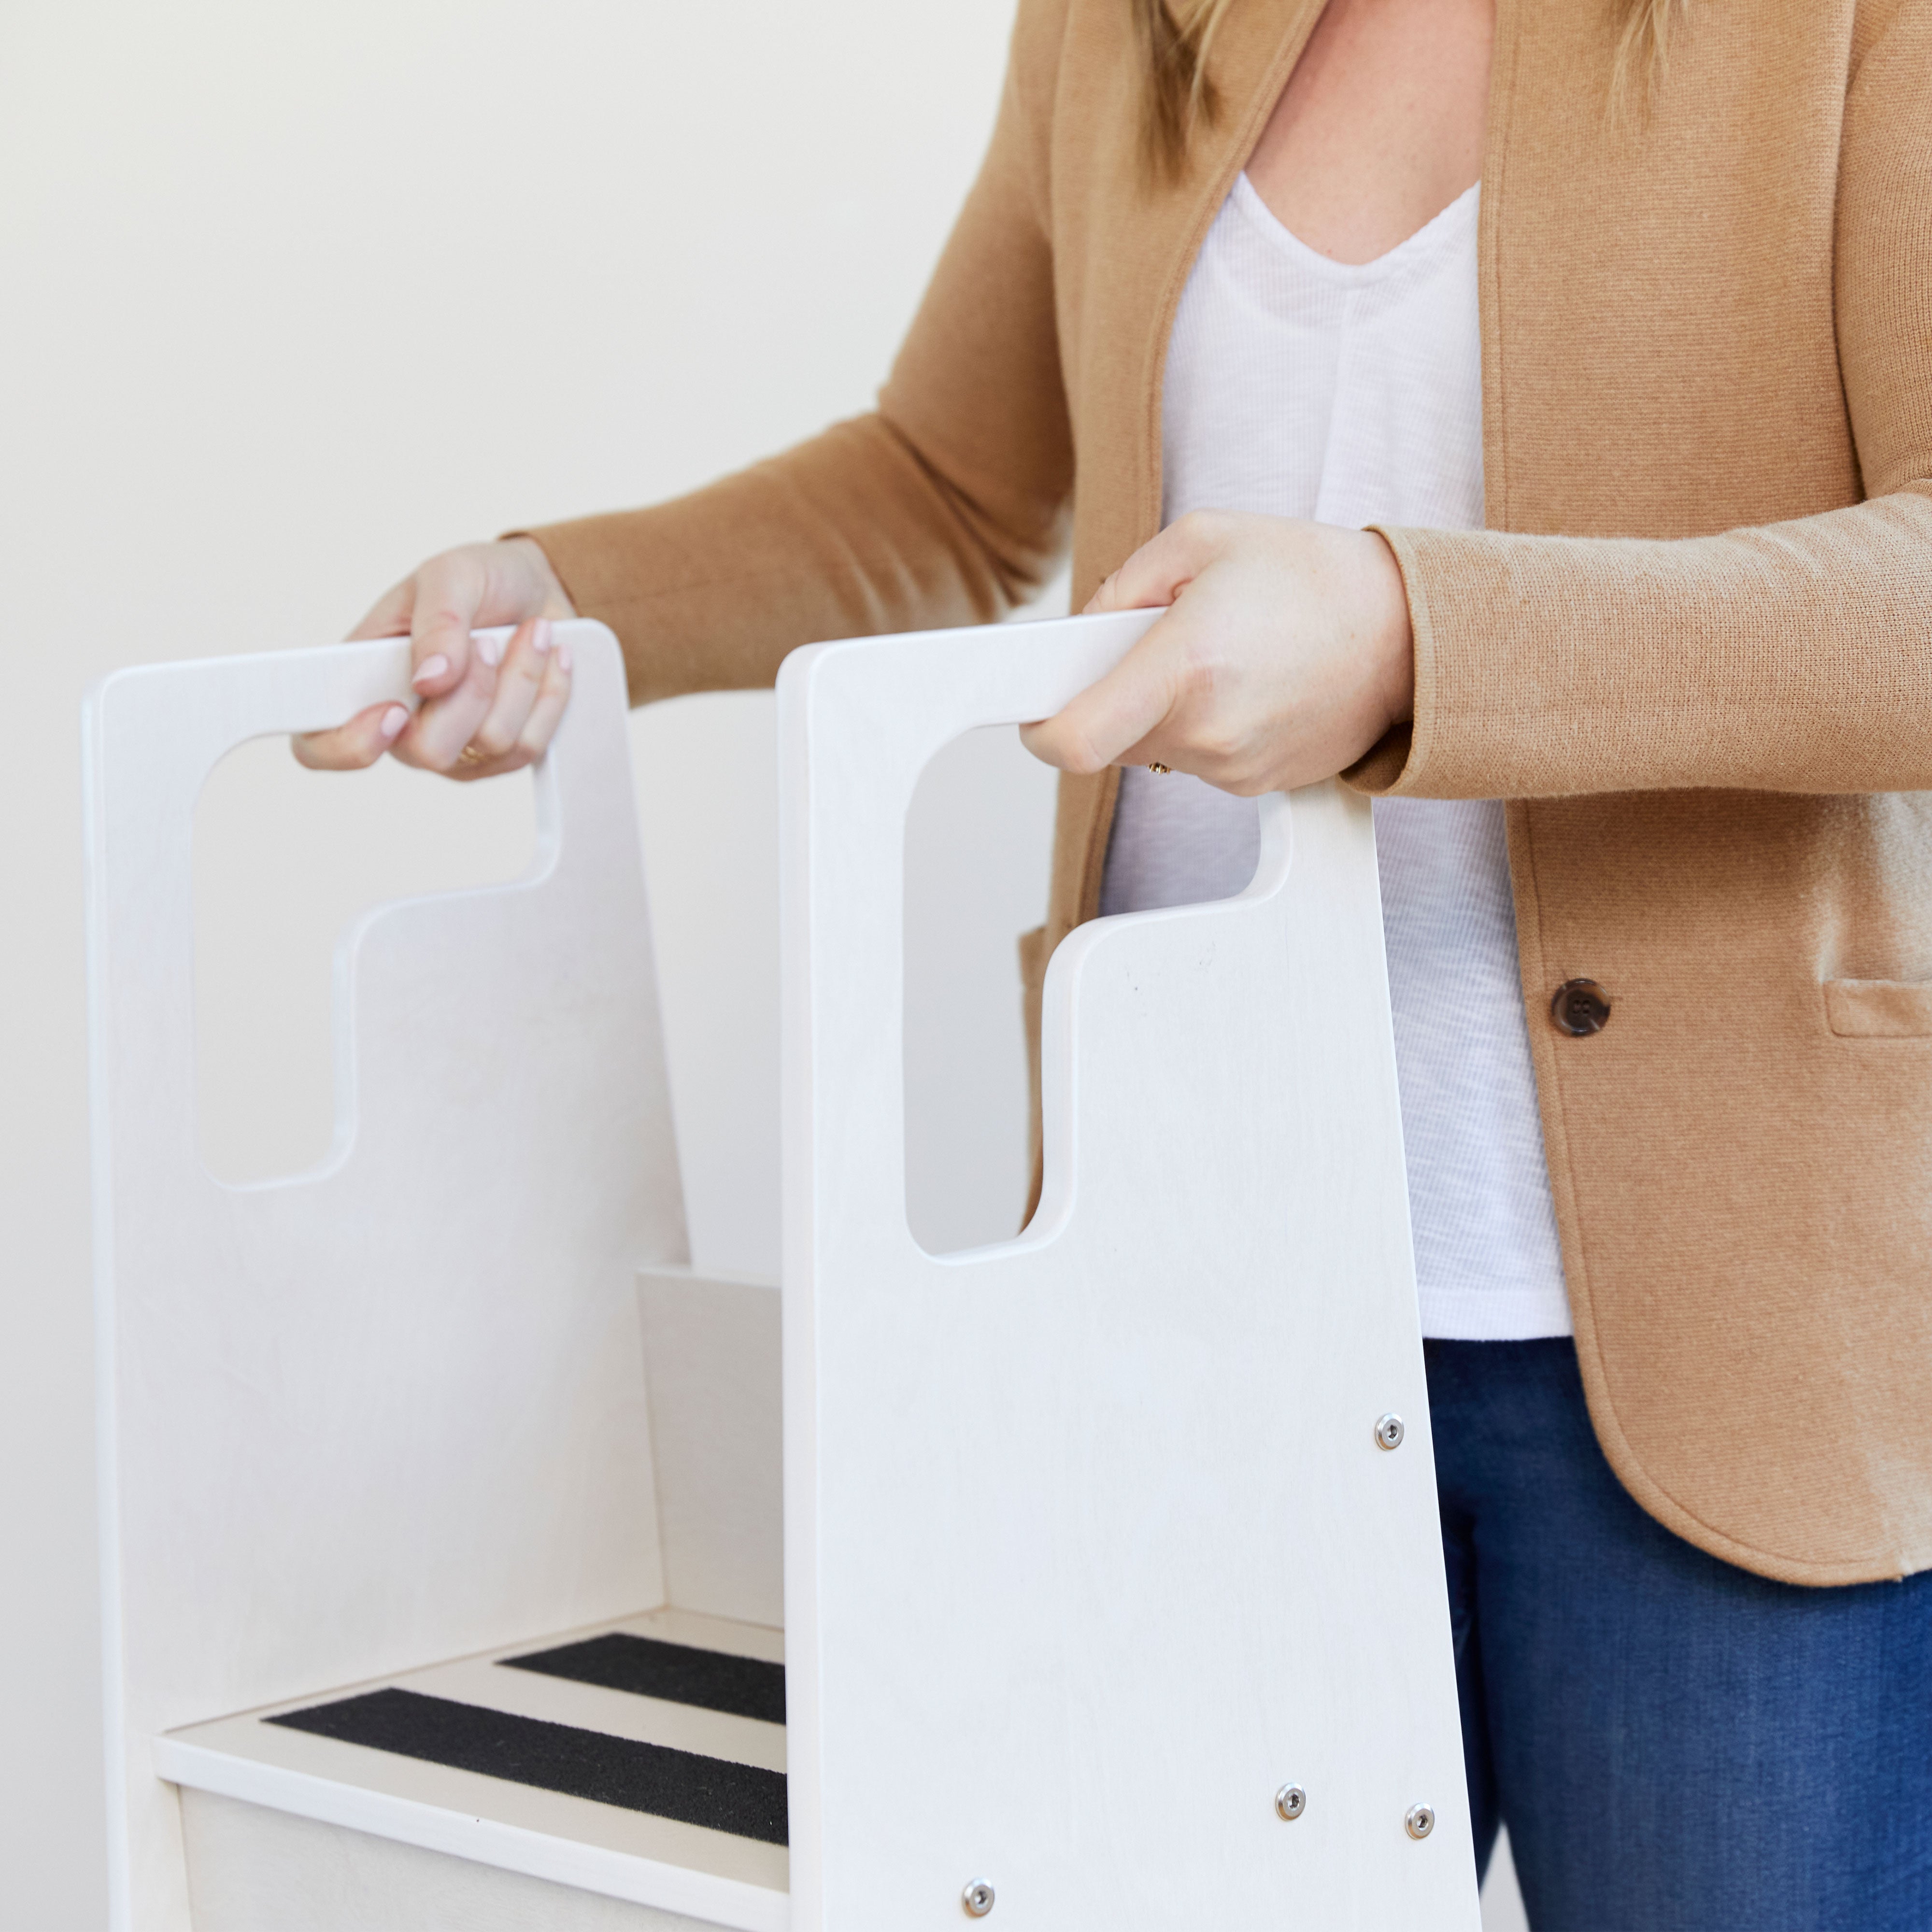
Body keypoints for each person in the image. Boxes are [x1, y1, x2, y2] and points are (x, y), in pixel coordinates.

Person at [298, 0, 1932, 1921]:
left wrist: (1415, 630)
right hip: (1175, 1305)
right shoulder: (1112, 18)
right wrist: (567, 599)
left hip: (1717, 1328)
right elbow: (952, 490)